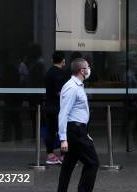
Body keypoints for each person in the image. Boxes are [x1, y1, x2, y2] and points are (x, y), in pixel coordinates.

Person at [57, 58, 99, 192]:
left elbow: (78, 113)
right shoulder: (71, 87)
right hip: (75, 130)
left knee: (68, 165)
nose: (89, 69)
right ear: (82, 70)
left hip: (78, 130)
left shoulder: (77, 86)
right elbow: (63, 113)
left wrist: (86, 133)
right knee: (93, 162)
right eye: (87, 67)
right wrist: (63, 139)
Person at [45, 51, 70, 165]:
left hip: (49, 106)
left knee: (50, 131)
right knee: (63, 131)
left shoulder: (49, 72)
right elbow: (61, 92)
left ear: (52, 60)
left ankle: (50, 155)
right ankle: (64, 156)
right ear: (63, 60)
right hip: (59, 108)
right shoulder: (61, 74)